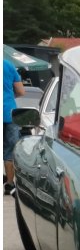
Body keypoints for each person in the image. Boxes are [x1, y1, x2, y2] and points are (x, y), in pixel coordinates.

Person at [3, 55, 22, 195]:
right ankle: (9, 184)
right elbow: (21, 91)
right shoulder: (8, 65)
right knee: (10, 150)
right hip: (8, 113)